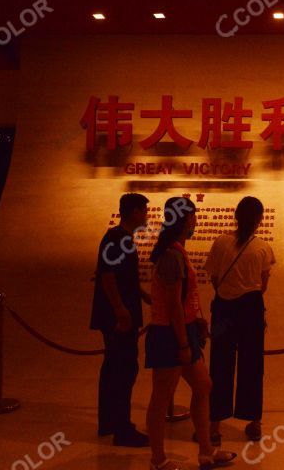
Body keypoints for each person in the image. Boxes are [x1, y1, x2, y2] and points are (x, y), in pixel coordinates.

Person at [145, 197, 237, 470]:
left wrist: (195, 321)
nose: (196, 221)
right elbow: (172, 303)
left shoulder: (175, 250)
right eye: (194, 216)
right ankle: (158, 459)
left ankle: (206, 451)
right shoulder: (172, 255)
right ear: (185, 219)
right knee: (161, 398)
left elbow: (182, 299)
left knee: (203, 386)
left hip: (181, 330)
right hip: (169, 335)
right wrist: (184, 343)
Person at [205, 196, 275, 444]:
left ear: (235, 216)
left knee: (220, 364)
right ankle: (253, 421)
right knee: (252, 365)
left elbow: (213, 277)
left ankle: (214, 425)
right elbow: (262, 285)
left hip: (224, 308)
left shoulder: (221, 242)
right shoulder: (263, 247)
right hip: (251, 309)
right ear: (259, 219)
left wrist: (228, 292)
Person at [90, 193, 151, 447]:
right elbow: (107, 275)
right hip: (117, 317)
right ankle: (122, 429)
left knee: (112, 367)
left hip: (116, 313)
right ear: (134, 212)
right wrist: (120, 310)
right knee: (124, 369)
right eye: (145, 210)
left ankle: (109, 422)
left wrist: (144, 296)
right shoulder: (117, 239)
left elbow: (124, 278)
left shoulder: (122, 238)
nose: (147, 215)